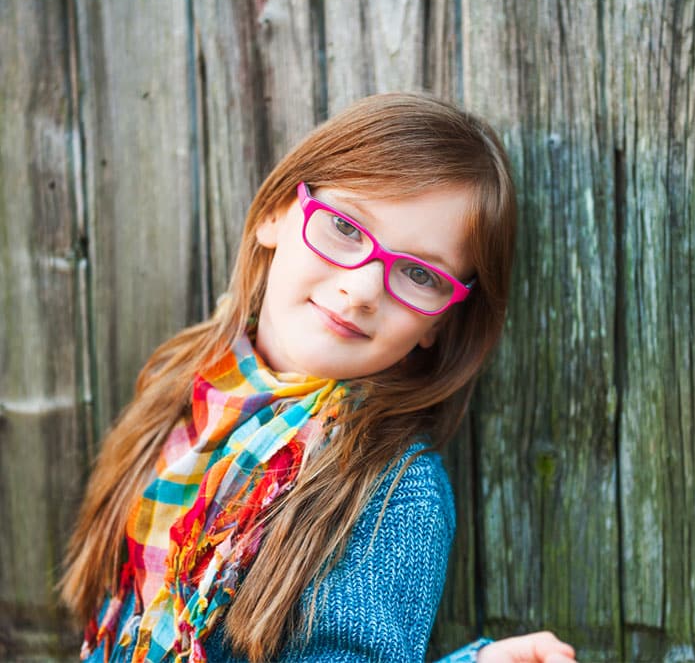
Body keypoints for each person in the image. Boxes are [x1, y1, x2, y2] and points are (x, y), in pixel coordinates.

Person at [59, 93, 577, 663]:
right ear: (276, 213)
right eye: (345, 227)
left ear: (441, 324)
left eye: (418, 273)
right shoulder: (186, 388)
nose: (360, 290)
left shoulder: (394, 495)